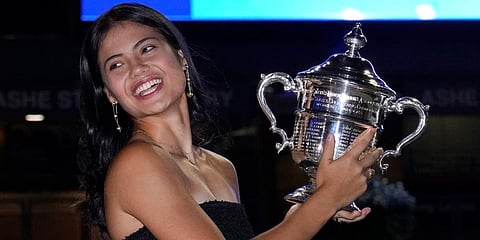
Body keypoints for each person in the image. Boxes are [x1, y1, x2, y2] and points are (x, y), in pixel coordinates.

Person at [76, 3, 383, 240]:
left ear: (181, 59)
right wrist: (328, 199)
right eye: (116, 64)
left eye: (147, 48)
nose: (137, 68)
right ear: (110, 94)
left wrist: (317, 198)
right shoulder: (137, 164)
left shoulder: (221, 167)